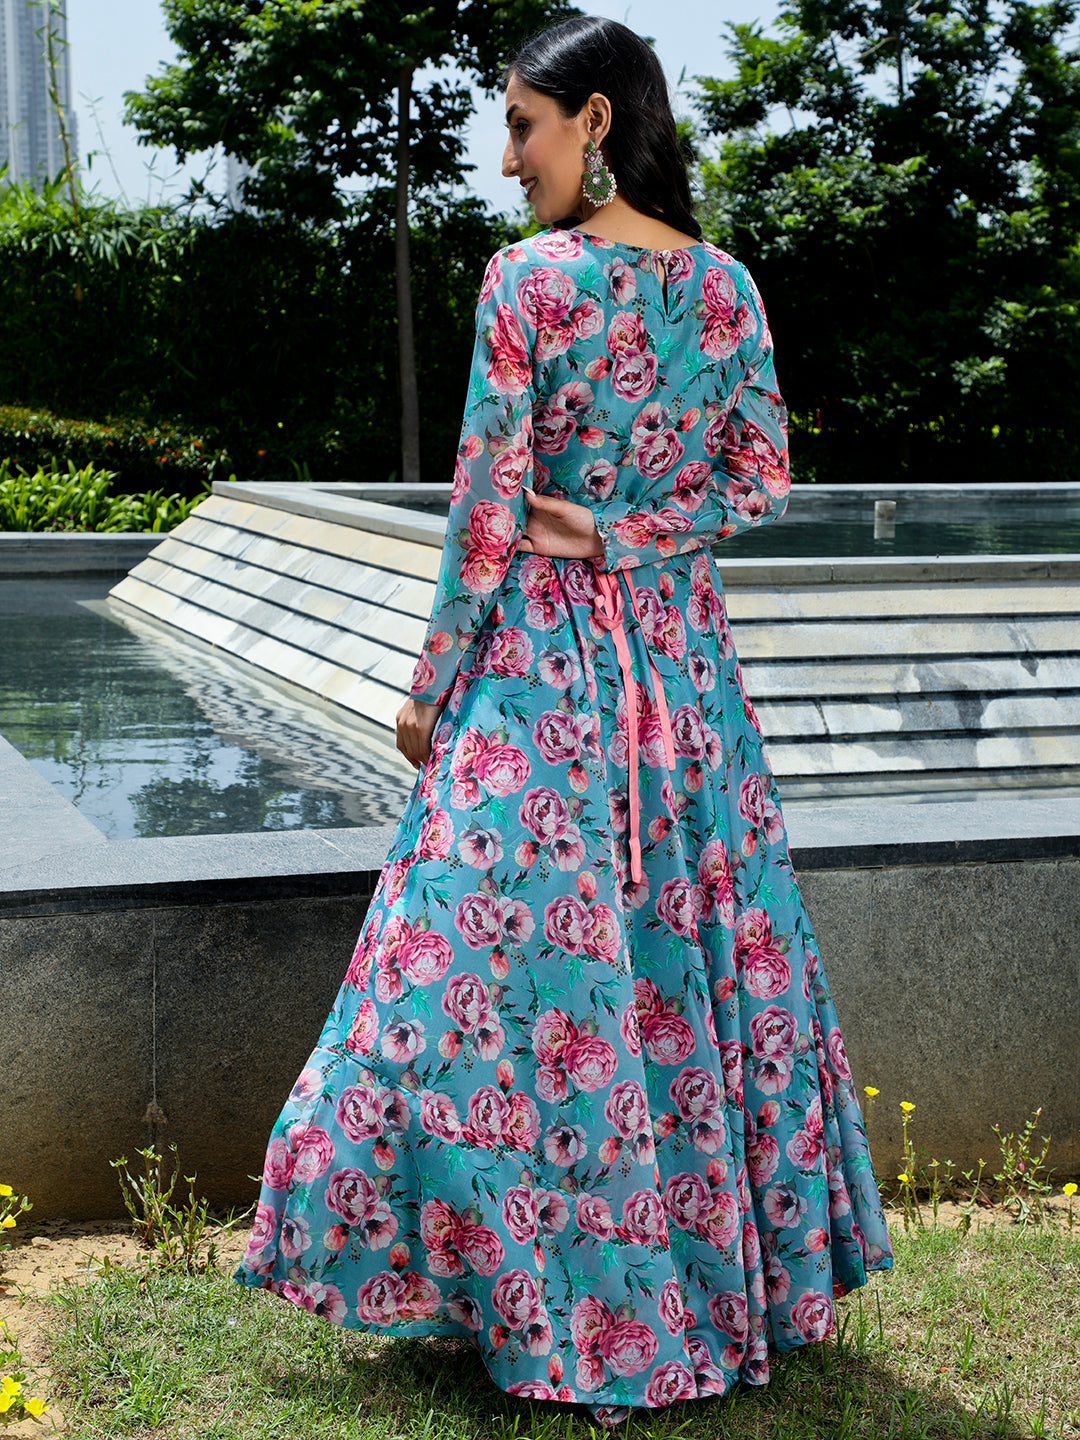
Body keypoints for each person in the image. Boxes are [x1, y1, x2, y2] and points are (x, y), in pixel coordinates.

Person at [234, 15, 892, 1426]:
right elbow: (761, 475)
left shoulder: (528, 280)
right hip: (684, 675)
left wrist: (432, 684)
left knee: (459, 966)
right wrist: (644, 532)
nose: (510, 156)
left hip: (545, 660)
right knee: (672, 968)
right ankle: (661, 1286)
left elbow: (486, 505)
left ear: (595, 121)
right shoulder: (724, 288)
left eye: (524, 126)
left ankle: (528, 1280)